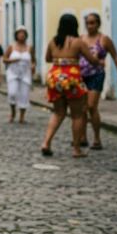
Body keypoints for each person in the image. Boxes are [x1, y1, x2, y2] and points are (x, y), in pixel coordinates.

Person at [41, 14, 101, 158]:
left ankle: (46, 142)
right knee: (77, 115)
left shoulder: (53, 41)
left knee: (58, 113)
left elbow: (48, 58)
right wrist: (98, 59)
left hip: (55, 77)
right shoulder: (78, 42)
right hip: (72, 78)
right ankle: (76, 149)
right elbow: (91, 60)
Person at [78, 12, 117, 150]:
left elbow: (115, 56)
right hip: (81, 76)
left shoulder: (104, 40)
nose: (90, 26)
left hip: (96, 75)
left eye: (92, 23)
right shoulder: (81, 38)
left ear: (98, 24)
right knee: (82, 109)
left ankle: (97, 138)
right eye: (87, 23)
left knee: (92, 106)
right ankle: (82, 137)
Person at [3, 26, 35, 124]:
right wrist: (12, 60)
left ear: (26, 35)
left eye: (23, 33)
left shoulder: (29, 47)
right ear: (16, 35)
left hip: (25, 73)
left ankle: (22, 116)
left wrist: (33, 66)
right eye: (19, 33)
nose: (21, 35)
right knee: (12, 93)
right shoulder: (11, 47)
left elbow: (33, 60)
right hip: (13, 73)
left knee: (24, 95)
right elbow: (4, 59)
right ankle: (13, 112)